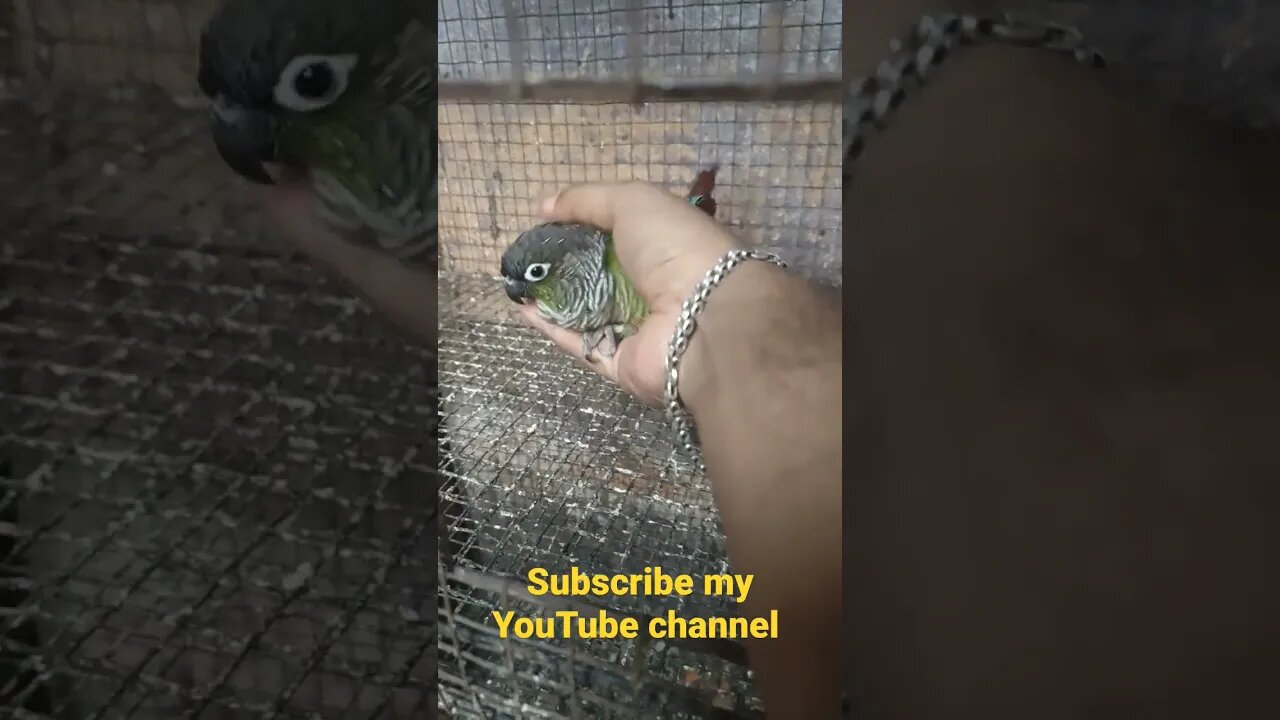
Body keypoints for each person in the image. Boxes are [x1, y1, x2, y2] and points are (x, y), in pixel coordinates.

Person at [261, 178, 845, 716]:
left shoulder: (623, 268)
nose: (521, 292)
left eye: (537, 274)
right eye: (520, 279)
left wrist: (709, 291)